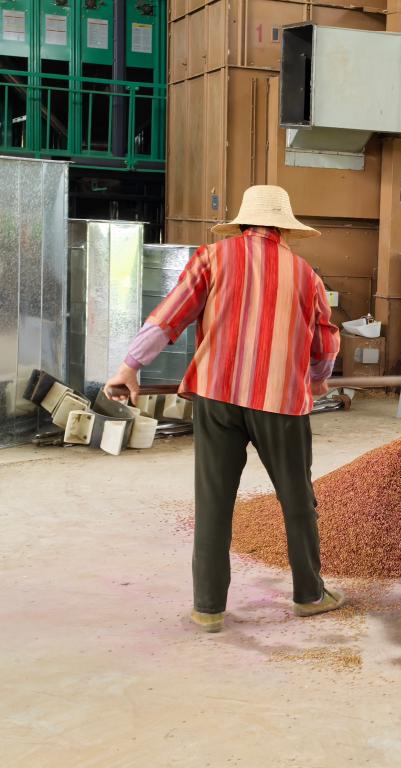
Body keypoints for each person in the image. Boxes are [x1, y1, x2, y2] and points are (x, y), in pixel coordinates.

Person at [105, 185, 342, 633]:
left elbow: (169, 316)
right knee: (297, 499)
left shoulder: (212, 258)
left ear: (243, 224)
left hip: (217, 394)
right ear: (283, 229)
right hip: (280, 401)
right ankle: (309, 595)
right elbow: (325, 343)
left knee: (214, 501)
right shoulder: (306, 274)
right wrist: (318, 377)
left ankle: (208, 608)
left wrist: (129, 367)